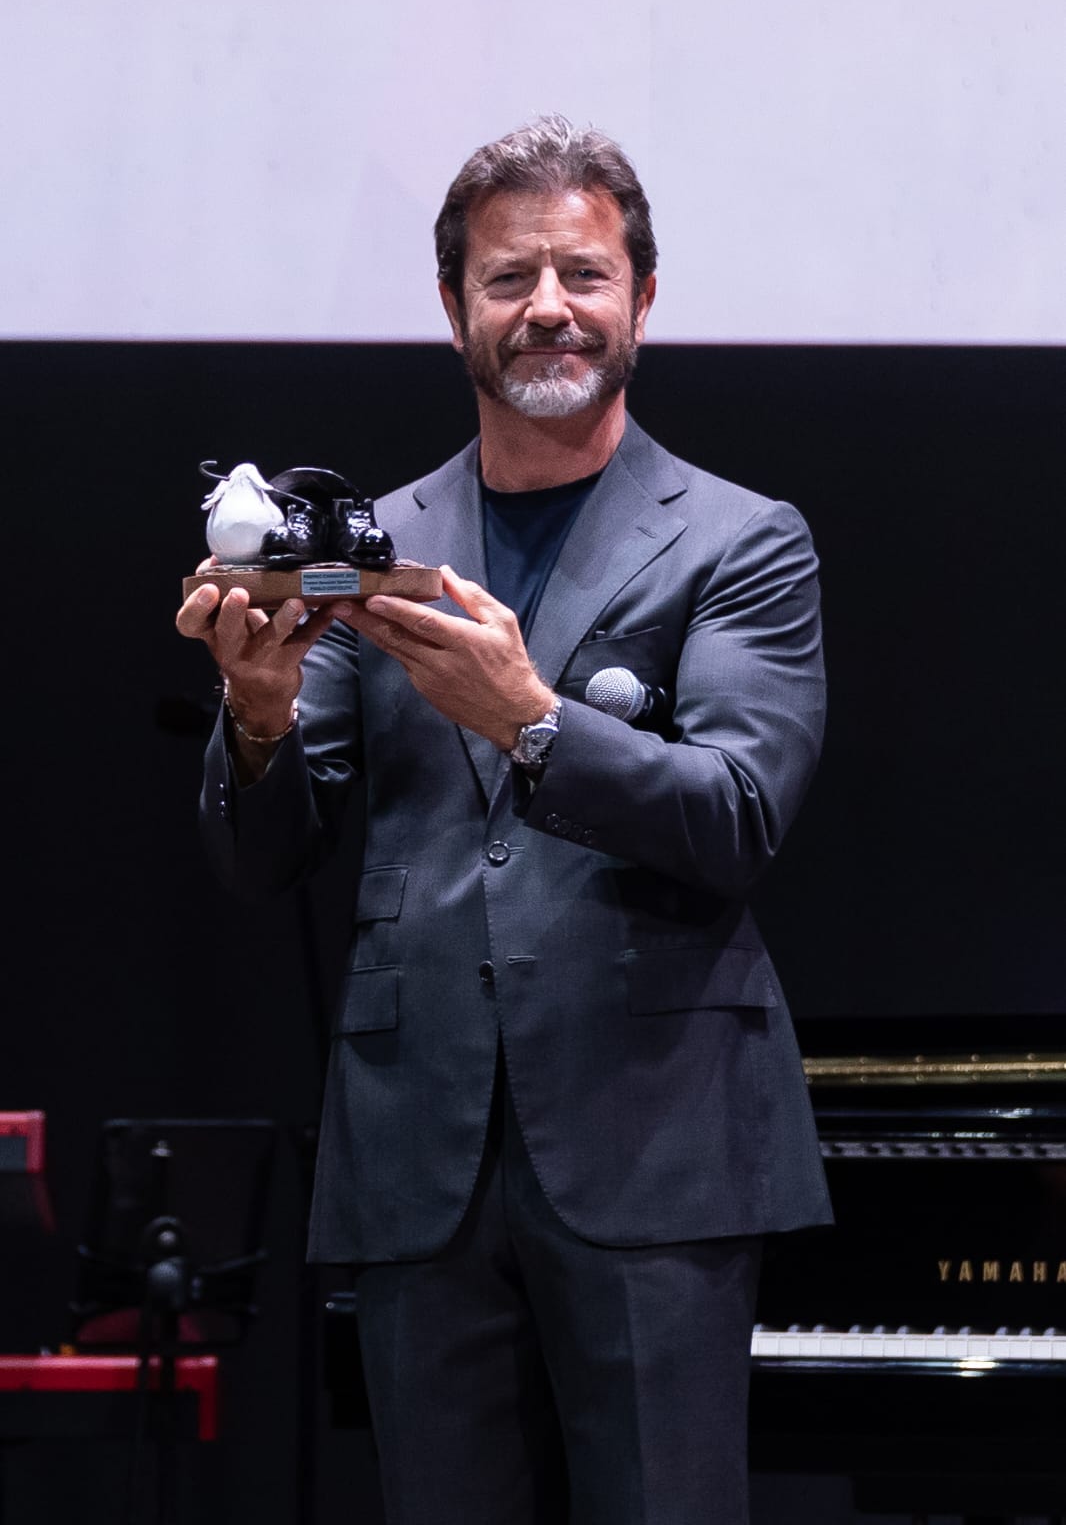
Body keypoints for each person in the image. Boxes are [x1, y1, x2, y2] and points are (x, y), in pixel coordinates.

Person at [177, 114, 831, 1525]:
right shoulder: (372, 551)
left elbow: (735, 815)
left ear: (641, 300)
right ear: (452, 305)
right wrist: (260, 713)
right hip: (417, 1151)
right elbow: (264, 859)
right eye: (507, 278)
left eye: (583, 275)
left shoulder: (740, 539)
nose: (548, 307)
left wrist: (531, 720)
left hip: (655, 1146)